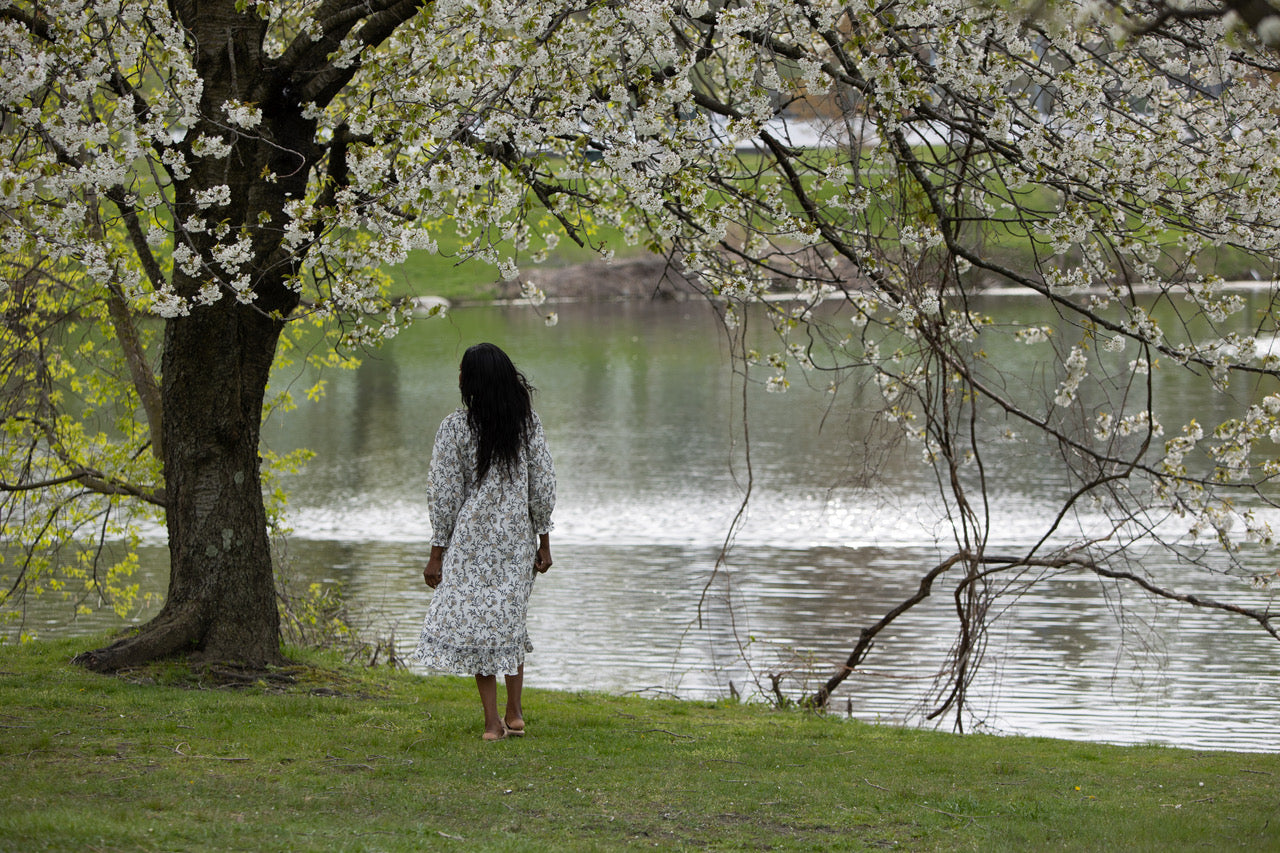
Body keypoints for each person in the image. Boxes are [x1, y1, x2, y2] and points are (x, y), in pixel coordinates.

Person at [412, 342, 556, 741]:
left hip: (470, 543)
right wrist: (544, 540)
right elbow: (543, 485)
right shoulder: (526, 424)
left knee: (479, 625)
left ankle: (493, 722)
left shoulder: (455, 427)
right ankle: (515, 713)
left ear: (473, 380)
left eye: (463, 371)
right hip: (516, 541)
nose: (458, 377)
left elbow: (444, 494)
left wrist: (436, 554)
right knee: (510, 620)